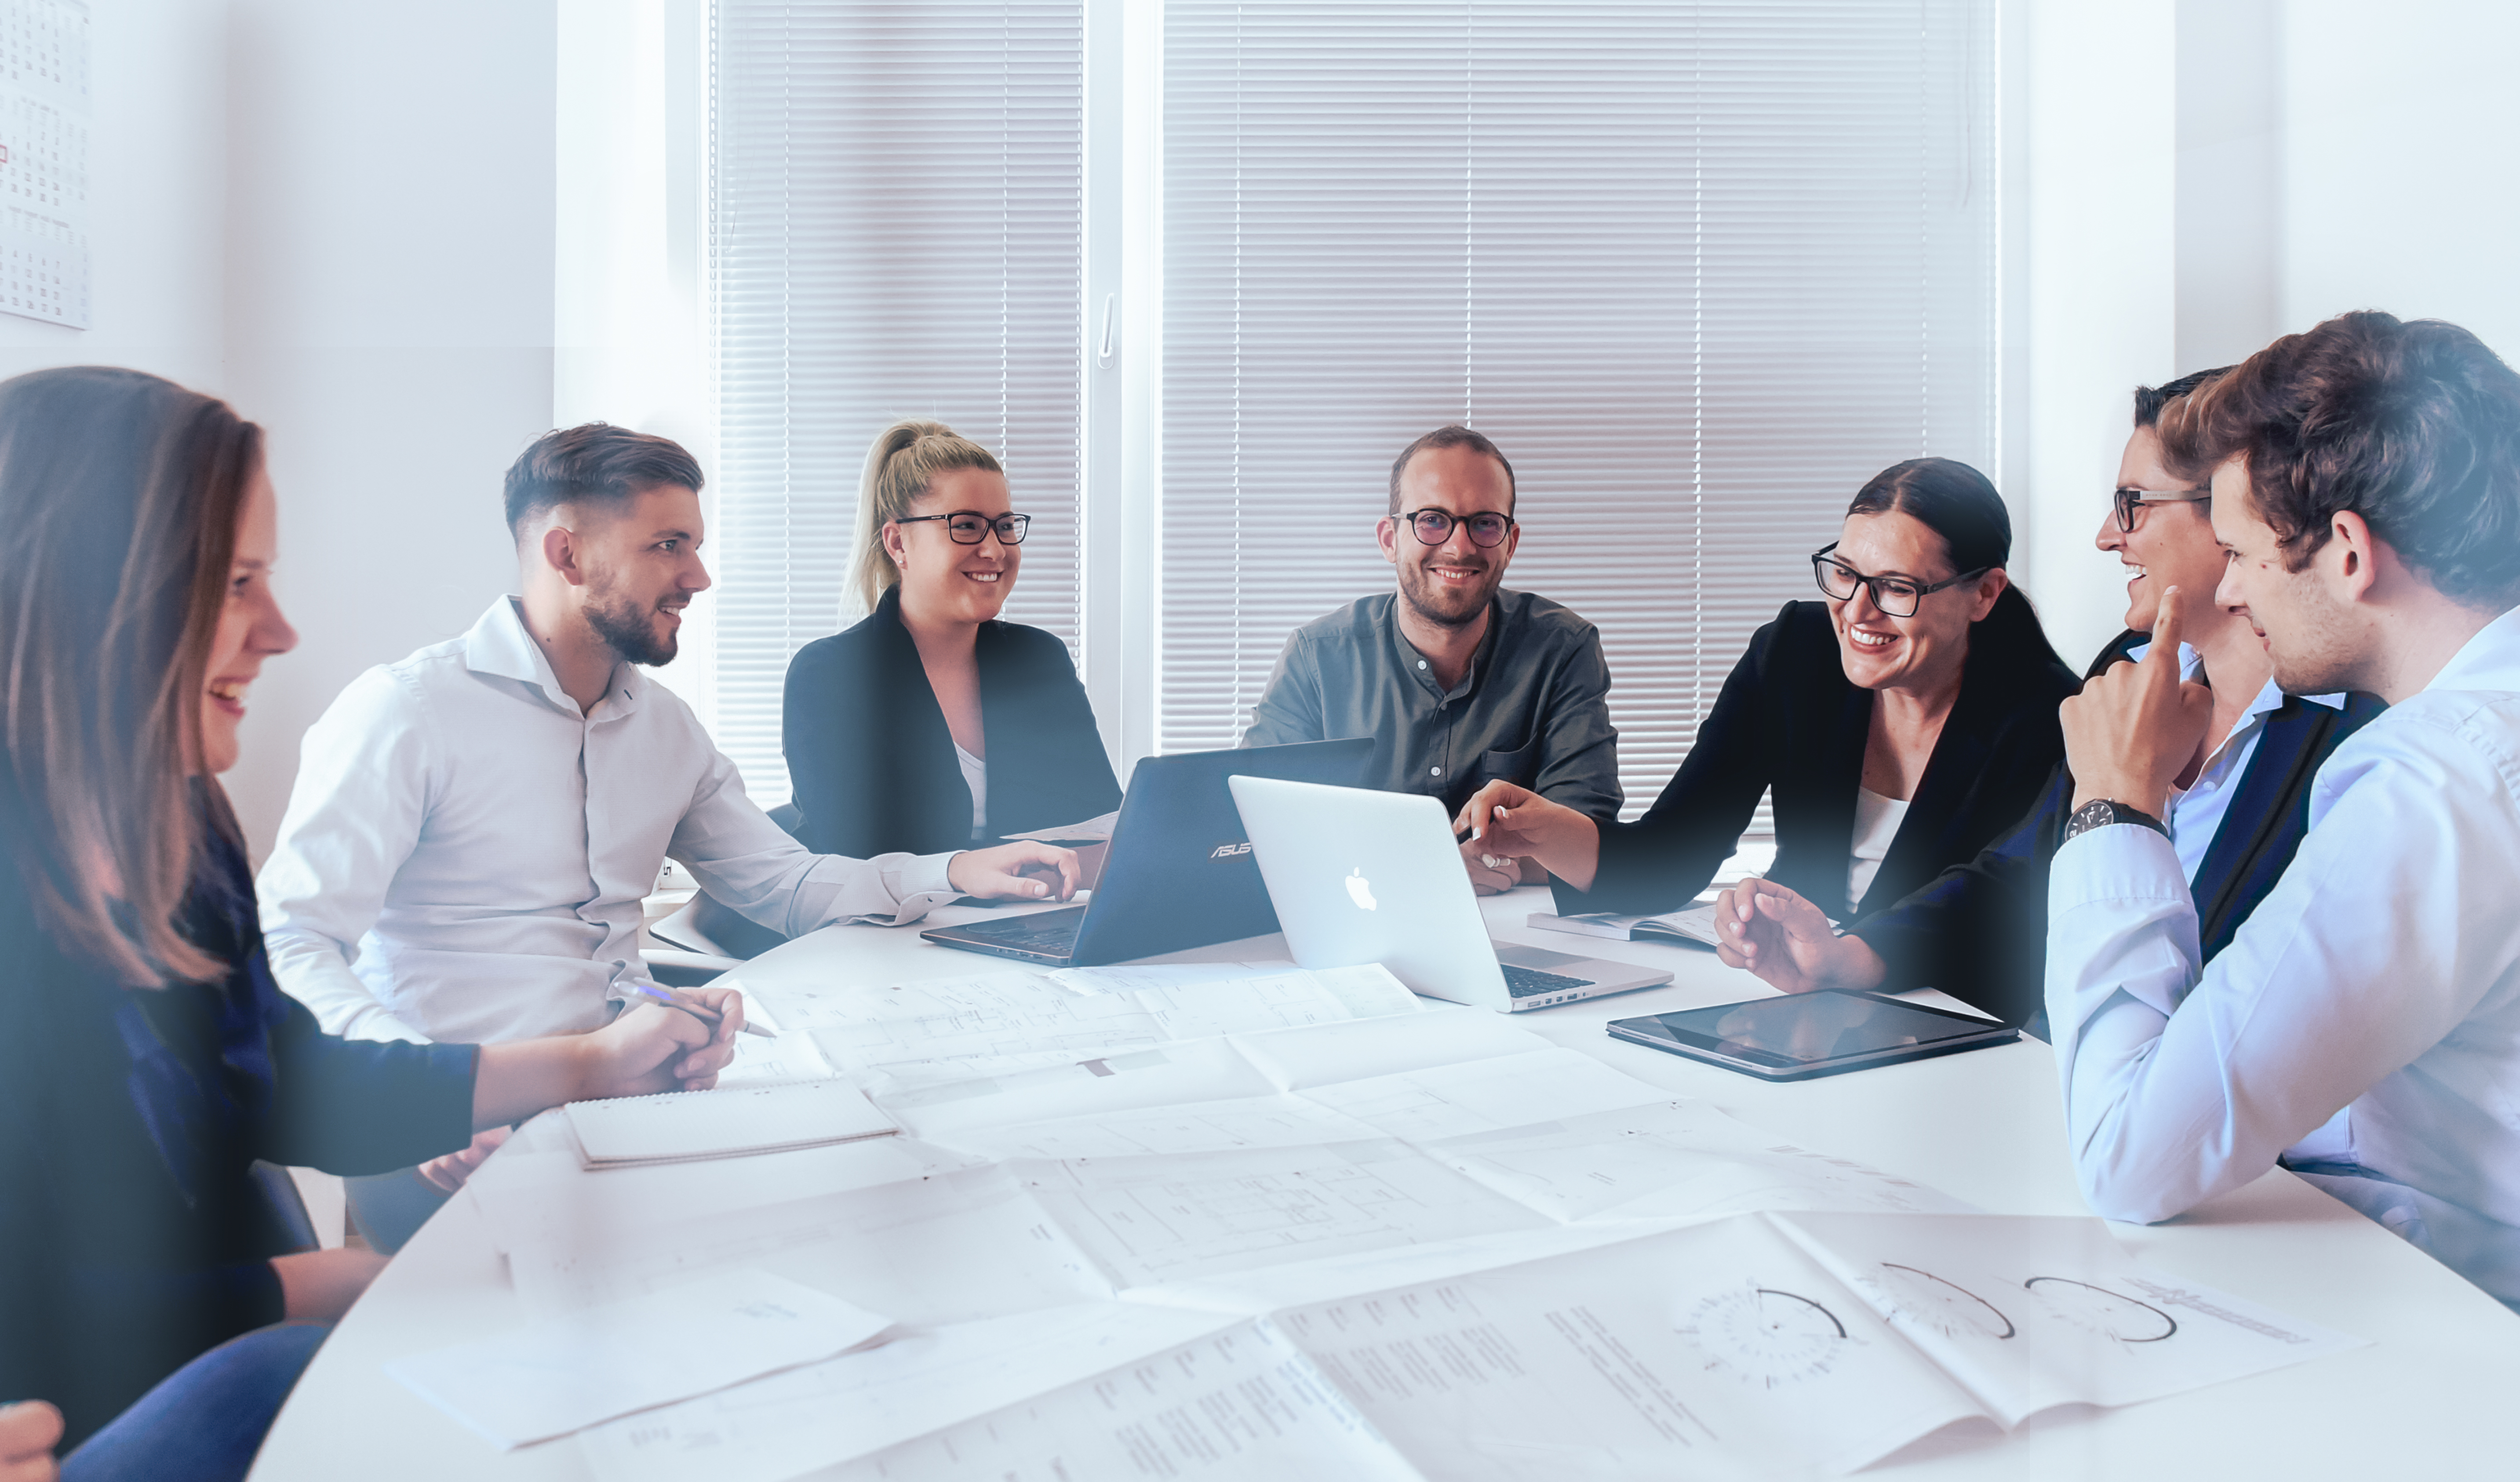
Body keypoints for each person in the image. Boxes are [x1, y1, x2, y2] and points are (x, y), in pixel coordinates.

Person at [0, 368, 740, 1479]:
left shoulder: (177, 813)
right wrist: (344, 1287)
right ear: (87, 589)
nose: (284, 629)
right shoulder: (407, 710)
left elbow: (281, 1079)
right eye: (237, 579)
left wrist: (590, 1063)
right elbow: (62, 1316)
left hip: (229, 1322)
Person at [255, 423, 1078, 1246]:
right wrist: (424, 1089)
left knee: (906, 1204)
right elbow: (291, 939)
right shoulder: (407, 713)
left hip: (628, 1111)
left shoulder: (666, 731)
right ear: (567, 553)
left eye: (697, 545)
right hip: (457, 1136)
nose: (699, 576)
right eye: (669, 546)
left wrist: (957, 870)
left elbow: (784, 884)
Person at [2047, 310, 2520, 1310]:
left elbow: (2129, 1155)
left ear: (2345, 552)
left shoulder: (2435, 780)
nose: (2223, 586)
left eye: (2240, 552)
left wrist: (2114, 804)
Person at [1707, 372, 2384, 1028]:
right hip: (2063, 1071)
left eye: (2133, 504)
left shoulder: (2352, 724)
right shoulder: (2125, 667)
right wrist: (1847, 958)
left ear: (2237, 511)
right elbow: (2019, 871)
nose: (2107, 536)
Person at [1460, 457, 2078, 925]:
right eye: (1844, 573)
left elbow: (2003, 930)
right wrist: (1542, 831)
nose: (1856, 612)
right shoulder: (1793, 655)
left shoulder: (2053, 720)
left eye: (1895, 587)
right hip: (1788, 988)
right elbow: (1673, 857)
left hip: (1945, 1015)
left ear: (1986, 593)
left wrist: (1841, 961)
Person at [1242, 424, 1621, 894]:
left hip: (1518, 934)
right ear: (1389, 539)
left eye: (1484, 523)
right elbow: (1254, 827)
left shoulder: (1564, 650)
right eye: (1431, 520)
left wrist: (1493, 862)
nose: (1459, 547)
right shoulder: (1316, 659)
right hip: (1360, 926)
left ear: (1510, 542)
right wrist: (1432, 866)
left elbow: (1589, 835)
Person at [784, 421, 1120, 859]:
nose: (995, 550)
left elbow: (1098, 824)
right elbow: (858, 859)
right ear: (898, 542)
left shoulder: (1037, 659)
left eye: (1004, 526)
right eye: (965, 526)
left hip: (1024, 915)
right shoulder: (831, 674)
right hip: (882, 923)